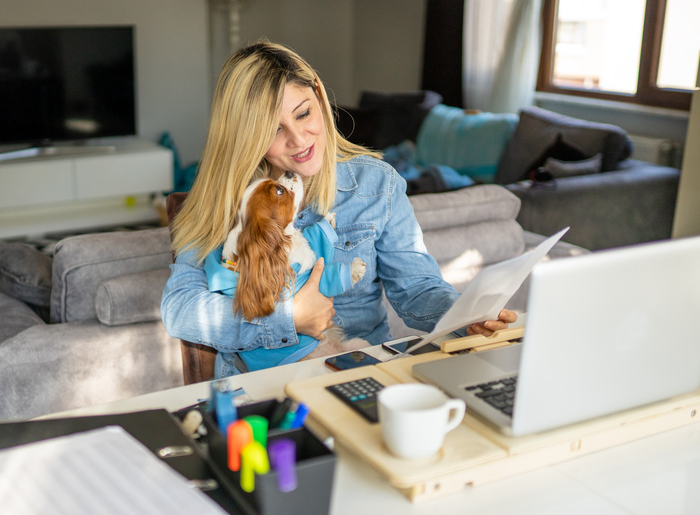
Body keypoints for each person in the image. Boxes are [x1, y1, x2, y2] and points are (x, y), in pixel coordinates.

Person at [161, 41, 516, 378]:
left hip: (361, 371)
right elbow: (180, 309)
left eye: (303, 114)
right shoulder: (222, 201)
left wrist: (467, 315)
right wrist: (287, 318)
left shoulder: (378, 185)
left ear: (318, 95)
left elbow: (417, 290)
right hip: (265, 383)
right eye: (274, 130)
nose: (299, 140)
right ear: (245, 136)